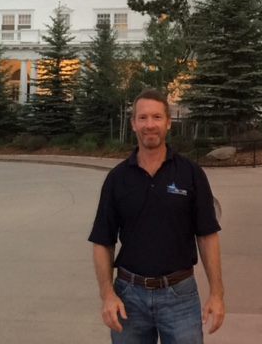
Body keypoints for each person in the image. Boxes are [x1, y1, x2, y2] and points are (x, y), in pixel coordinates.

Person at [89, 88, 225, 343]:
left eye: (157, 117)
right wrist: (107, 295)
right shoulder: (117, 179)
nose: (150, 124)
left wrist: (217, 294)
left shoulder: (191, 173)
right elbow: (102, 242)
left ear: (169, 123)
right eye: (143, 118)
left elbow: (207, 236)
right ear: (133, 124)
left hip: (181, 296)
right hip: (128, 298)